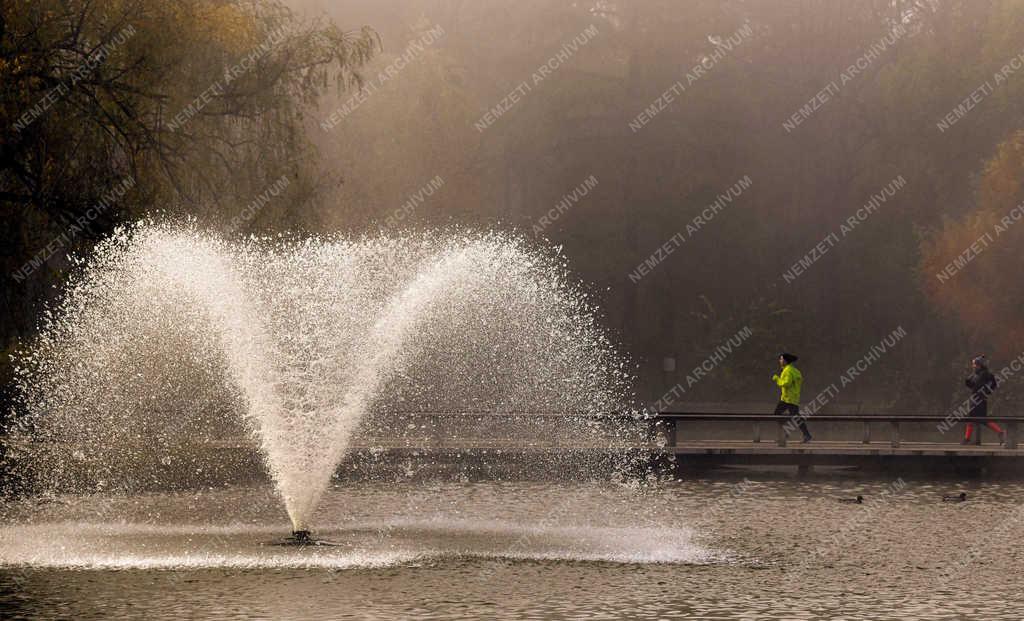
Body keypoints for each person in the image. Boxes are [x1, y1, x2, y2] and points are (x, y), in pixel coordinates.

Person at [962, 355, 1005, 445]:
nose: (973, 366)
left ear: (979, 365)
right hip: (980, 398)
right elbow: (993, 385)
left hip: (977, 398)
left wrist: (970, 383)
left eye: (974, 364)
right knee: (978, 419)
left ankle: (967, 439)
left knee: (975, 419)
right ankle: (1000, 432)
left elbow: (977, 386)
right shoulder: (984, 373)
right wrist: (987, 392)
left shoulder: (981, 374)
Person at [772, 352, 811, 443]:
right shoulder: (795, 370)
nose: (780, 361)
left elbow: (786, 383)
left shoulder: (787, 370)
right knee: (796, 417)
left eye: (781, 359)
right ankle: (805, 435)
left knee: (778, 414)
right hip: (793, 397)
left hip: (787, 398)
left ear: (785, 361)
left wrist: (777, 379)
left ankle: (785, 433)